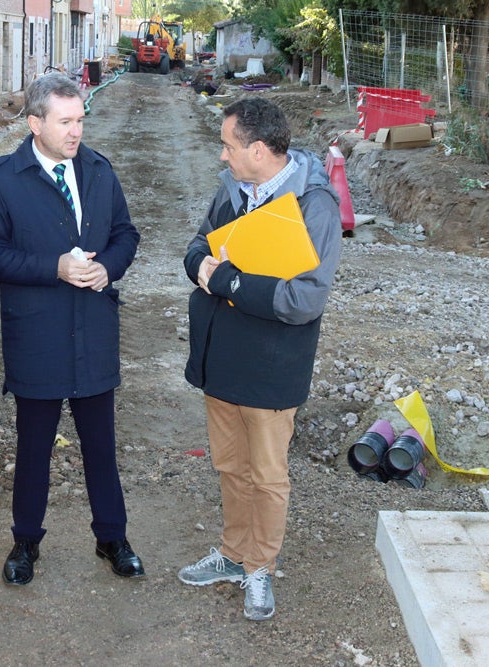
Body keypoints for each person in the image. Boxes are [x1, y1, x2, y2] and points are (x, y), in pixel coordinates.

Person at [0, 72, 143, 586]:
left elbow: (125, 233)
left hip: (92, 332)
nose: (76, 131)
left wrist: (107, 268)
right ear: (35, 122)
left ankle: (111, 537)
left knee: (100, 445)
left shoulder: (97, 170)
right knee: (33, 449)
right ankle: (25, 541)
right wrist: (56, 267)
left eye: (80, 120)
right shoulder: (3, 179)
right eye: (66, 122)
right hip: (37, 337)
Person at [179, 97, 342, 621]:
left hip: (273, 365)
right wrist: (199, 264)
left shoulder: (313, 206)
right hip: (222, 359)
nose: (222, 156)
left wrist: (224, 279)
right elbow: (197, 244)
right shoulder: (232, 191)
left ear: (256, 150)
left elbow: (304, 300)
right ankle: (232, 553)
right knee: (230, 465)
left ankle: (260, 569)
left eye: (228, 146)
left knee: (267, 475)